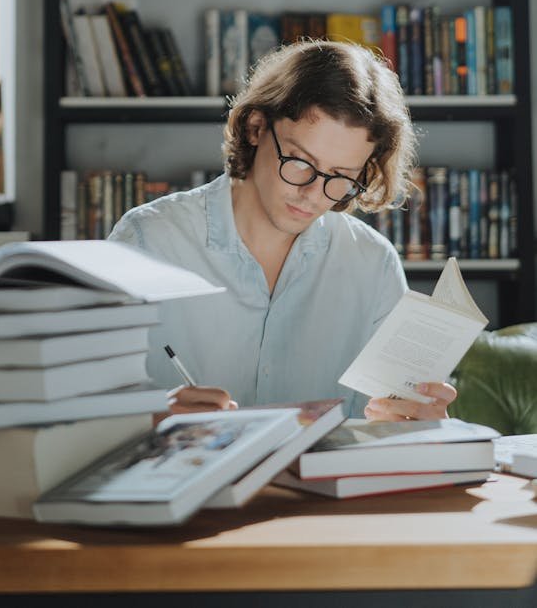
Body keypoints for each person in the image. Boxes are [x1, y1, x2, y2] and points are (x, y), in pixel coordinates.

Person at [109, 39, 457, 422]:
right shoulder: (146, 241)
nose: (311, 194)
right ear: (256, 127)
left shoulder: (372, 265)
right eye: (300, 162)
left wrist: (419, 422)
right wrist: (148, 416)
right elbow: (82, 414)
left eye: (341, 177)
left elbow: (390, 432)